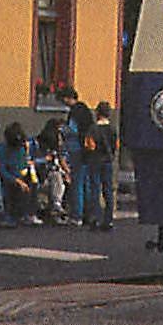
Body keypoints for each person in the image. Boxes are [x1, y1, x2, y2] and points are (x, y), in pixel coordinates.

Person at [0, 121, 40, 226]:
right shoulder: (2, 150)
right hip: (9, 178)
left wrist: (27, 152)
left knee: (33, 181)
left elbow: (26, 163)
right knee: (11, 187)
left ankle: (29, 214)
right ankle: (7, 216)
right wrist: (16, 180)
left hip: (22, 176)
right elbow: (2, 169)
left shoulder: (23, 149)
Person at [84, 101, 119, 230]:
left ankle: (95, 218)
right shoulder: (112, 129)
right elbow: (116, 145)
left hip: (95, 160)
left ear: (97, 112)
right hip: (108, 161)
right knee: (108, 189)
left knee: (95, 189)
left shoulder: (93, 129)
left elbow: (90, 146)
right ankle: (108, 220)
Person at [62, 87, 94, 225]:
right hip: (87, 151)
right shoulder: (86, 110)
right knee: (87, 182)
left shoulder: (74, 112)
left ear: (68, 98)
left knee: (77, 183)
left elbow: (72, 130)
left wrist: (62, 129)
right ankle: (89, 214)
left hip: (76, 149)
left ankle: (77, 215)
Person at [35, 119, 71, 223]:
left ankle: (57, 207)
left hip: (53, 175)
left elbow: (61, 163)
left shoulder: (60, 149)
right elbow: (30, 161)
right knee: (56, 176)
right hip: (40, 175)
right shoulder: (37, 145)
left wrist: (67, 173)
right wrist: (44, 160)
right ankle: (56, 205)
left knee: (58, 177)